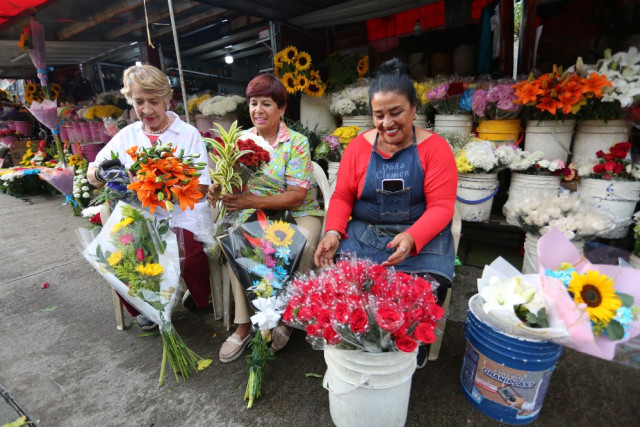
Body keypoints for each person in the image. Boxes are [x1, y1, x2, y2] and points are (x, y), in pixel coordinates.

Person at [313, 57, 457, 311]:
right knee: (349, 294)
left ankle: (413, 350)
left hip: (421, 242)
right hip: (365, 238)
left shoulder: (435, 148)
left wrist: (413, 236)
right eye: (379, 115)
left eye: (396, 112)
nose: (387, 123)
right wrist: (333, 232)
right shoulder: (358, 148)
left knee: (424, 294)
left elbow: (442, 206)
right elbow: (343, 196)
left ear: (414, 109)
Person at [207, 74, 323, 362]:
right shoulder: (241, 139)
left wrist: (251, 200)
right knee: (236, 243)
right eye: (253, 103)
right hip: (256, 211)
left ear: (282, 109)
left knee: (304, 245)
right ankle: (244, 325)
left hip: (299, 211)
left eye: (266, 103)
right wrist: (217, 188)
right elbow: (230, 180)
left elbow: (296, 195)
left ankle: (286, 317)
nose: (258, 110)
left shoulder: (296, 142)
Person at [87, 64, 212, 329]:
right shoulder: (127, 136)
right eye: (139, 101)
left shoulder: (187, 134)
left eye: (154, 101)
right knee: (114, 255)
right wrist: (102, 175)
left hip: (182, 213)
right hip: (142, 213)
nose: (146, 109)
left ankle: (203, 298)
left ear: (168, 99)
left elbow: (200, 188)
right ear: (131, 100)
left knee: (187, 251)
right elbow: (93, 172)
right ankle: (144, 305)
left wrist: (162, 187)